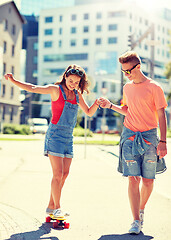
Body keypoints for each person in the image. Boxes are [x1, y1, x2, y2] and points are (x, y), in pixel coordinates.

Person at [4, 64, 100, 218]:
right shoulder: (56, 90)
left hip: (69, 137)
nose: (73, 84)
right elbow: (33, 88)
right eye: (71, 81)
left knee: (65, 173)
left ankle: (51, 206)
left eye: (77, 82)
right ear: (66, 77)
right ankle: (57, 208)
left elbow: (89, 112)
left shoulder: (77, 94)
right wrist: (14, 81)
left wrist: (97, 103)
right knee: (58, 174)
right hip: (55, 135)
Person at [98, 51, 167, 234]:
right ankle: (136, 220)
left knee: (148, 181)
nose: (126, 75)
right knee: (133, 179)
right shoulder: (127, 88)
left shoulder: (155, 87)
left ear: (138, 67)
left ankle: (141, 209)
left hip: (150, 137)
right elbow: (127, 110)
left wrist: (163, 141)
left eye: (128, 71)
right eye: (123, 72)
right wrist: (110, 105)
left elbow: (161, 115)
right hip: (129, 136)